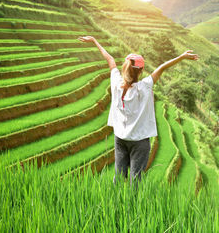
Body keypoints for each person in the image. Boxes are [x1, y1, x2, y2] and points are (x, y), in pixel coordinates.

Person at [78, 36, 198, 185]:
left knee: (119, 177)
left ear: (124, 68)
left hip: (120, 138)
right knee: (136, 181)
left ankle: (116, 204)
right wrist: (182, 56)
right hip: (139, 142)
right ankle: (132, 205)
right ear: (140, 71)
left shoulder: (115, 82)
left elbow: (110, 60)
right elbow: (162, 67)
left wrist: (95, 40)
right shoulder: (144, 87)